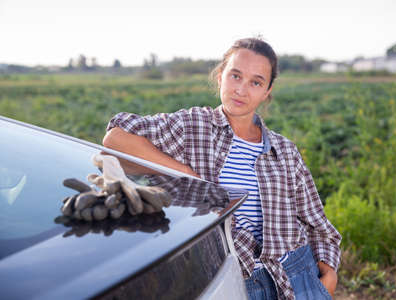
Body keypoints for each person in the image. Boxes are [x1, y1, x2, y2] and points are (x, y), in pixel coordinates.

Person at [103, 37, 341, 300]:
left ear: (267, 91)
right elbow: (115, 140)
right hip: (232, 282)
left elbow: (317, 224)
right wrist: (186, 174)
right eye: (235, 76)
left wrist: (327, 277)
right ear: (220, 77)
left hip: (298, 279)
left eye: (256, 82)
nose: (241, 89)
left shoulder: (285, 151)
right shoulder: (192, 126)